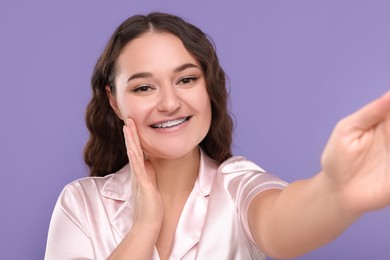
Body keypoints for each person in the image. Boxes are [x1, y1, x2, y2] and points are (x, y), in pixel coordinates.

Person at [45, 12, 390, 260]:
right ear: (114, 101)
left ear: (208, 88)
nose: (169, 103)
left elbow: (281, 223)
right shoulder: (81, 205)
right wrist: (145, 226)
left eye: (186, 80)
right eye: (144, 87)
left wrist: (336, 193)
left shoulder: (238, 186)